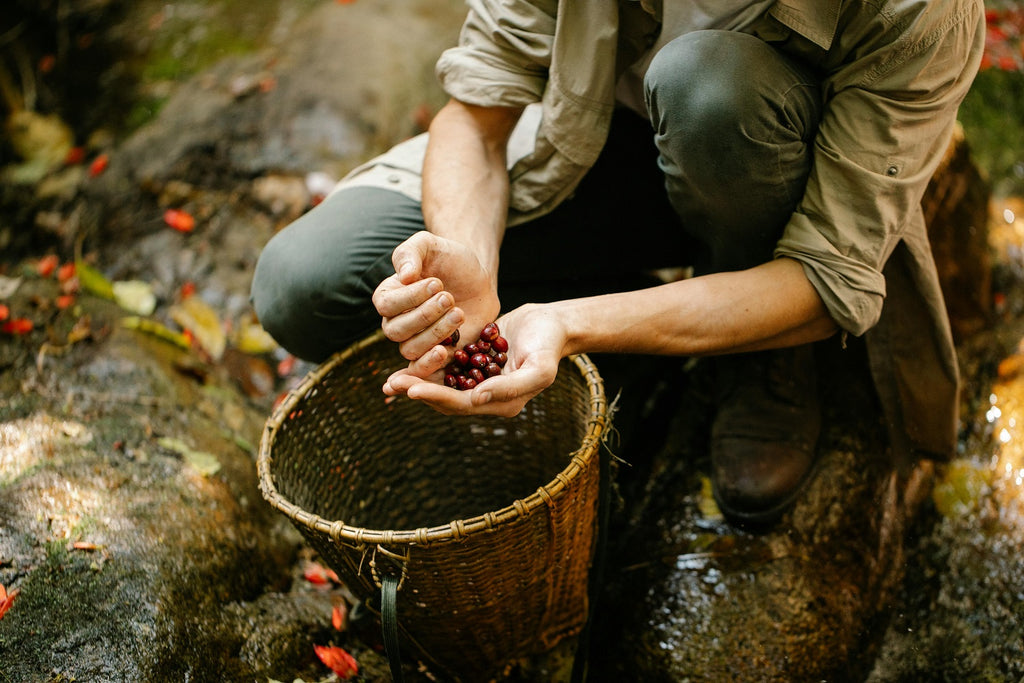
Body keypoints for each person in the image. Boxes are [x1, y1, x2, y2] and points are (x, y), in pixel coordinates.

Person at [251, 0, 985, 526]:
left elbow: (825, 277)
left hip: (763, 174)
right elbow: (477, 113)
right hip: (592, 146)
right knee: (306, 284)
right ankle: (653, 344)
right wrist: (468, 258)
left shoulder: (921, 13)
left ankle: (760, 364)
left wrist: (570, 325)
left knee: (707, 89)